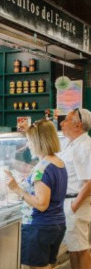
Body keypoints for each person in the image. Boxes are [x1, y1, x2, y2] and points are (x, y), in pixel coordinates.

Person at [5, 119, 67, 269]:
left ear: (38, 141)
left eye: (29, 141)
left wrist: (17, 189)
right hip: (56, 224)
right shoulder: (58, 162)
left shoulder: (41, 168)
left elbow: (41, 204)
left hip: (39, 227)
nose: (28, 145)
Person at [59, 108, 91, 269]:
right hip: (67, 202)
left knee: (81, 248)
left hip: (75, 202)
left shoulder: (84, 146)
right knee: (73, 248)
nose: (61, 123)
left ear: (77, 126)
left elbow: (89, 182)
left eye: (65, 120)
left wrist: (73, 207)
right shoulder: (70, 143)